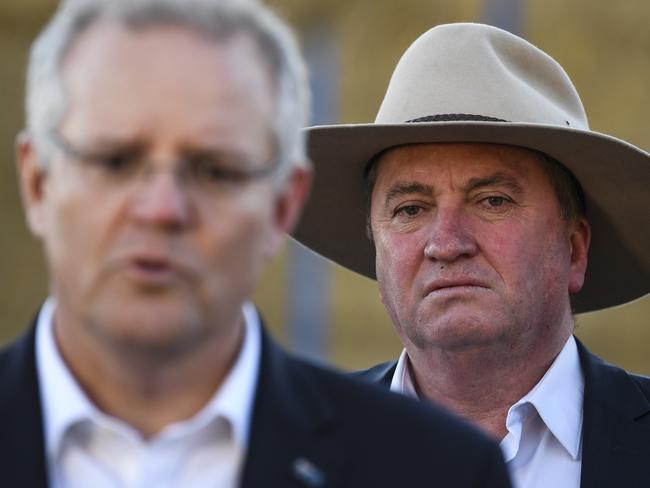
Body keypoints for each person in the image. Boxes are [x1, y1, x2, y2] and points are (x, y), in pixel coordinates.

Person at [5, 5, 513, 487]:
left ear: (282, 206)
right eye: (114, 161)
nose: (161, 208)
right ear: (37, 182)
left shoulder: (440, 471)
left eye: (215, 170)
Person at [293, 22, 650, 488]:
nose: (445, 244)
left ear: (574, 249)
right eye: (410, 209)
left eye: (492, 201)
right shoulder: (286, 453)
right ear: (378, 256)